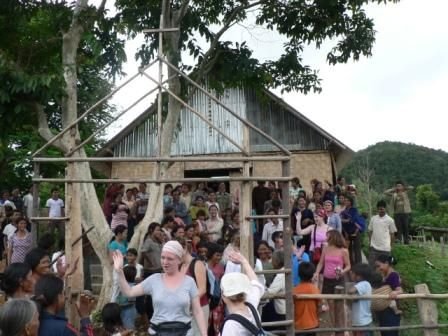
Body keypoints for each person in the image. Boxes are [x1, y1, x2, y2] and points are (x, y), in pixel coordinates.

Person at [112, 240, 207, 336]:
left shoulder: (189, 282)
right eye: (163, 258)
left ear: (179, 260)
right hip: (158, 332)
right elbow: (129, 292)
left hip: (184, 332)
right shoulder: (154, 280)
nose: (165, 262)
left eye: (170, 259)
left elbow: (197, 311)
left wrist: (204, 334)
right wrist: (119, 271)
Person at [314, 230, 350, 327]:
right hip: (327, 279)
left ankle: (344, 327)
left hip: (338, 279)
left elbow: (348, 266)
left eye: (327, 237)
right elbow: (321, 262)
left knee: (341, 305)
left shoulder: (343, 250)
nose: (325, 239)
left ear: (333, 238)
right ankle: (334, 327)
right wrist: (317, 272)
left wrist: (342, 271)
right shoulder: (325, 248)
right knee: (330, 303)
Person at [178, 237, 209, 336]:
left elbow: (202, 289)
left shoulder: (197, 264)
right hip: (184, 309)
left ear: (184, 249)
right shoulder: (180, 265)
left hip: (199, 307)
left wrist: (188, 300)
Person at [374, 255, 403, 336]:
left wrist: (395, 293)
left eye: (379, 266)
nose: (378, 268)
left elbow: (400, 290)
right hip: (383, 311)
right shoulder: (383, 275)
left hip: (390, 312)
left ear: (386, 263)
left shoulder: (393, 275)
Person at [293, 262, 321, 336]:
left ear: (298, 274)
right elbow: (321, 305)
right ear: (312, 275)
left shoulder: (295, 290)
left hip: (298, 325)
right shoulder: (314, 290)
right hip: (312, 324)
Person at [368, 200, 397, 266]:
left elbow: (393, 234)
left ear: (385, 208)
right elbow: (370, 231)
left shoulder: (390, 220)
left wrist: (391, 246)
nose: (380, 211)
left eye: (382, 209)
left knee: (383, 269)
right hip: (374, 248)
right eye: (379, 209)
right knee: (371, 268)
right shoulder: (373, 219)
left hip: (385, 249)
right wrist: (370, 242)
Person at [348, 263, 373, 336]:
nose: (351, 274)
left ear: (359, 276)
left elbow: (350, 291)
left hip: (362, 322)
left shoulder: (364, 283)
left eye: (353, 273)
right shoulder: (364, 284)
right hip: (361, 322)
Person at [262, 250, 286, 326]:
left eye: (272, 259)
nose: (271, 262)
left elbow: (271, 291)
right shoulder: (282, 272)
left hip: (282, 310)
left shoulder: (281, 275)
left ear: (277, 261)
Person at [341, 195, 364, 265]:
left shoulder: (354, 210)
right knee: (349, 249)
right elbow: (343, 223)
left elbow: (352, 220)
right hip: (347, 232)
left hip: (356, 231)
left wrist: (343, 220)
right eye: (345, 200)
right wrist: (345, 232)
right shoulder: (343, 211)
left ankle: (359, 265)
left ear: (351, 202)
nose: (346, 202)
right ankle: (351, 265)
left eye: (348, 201)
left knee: (357, 249)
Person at [116, 265, 138, 330]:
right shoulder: (122, 284)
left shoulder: (132, 287)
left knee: (129, 327)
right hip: (122, 309)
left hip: (128, 310)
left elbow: (131, 301)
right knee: (123, 327)